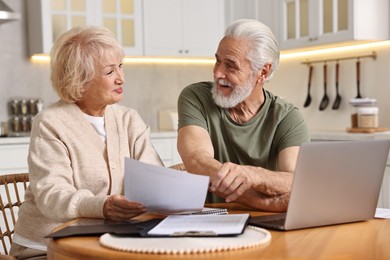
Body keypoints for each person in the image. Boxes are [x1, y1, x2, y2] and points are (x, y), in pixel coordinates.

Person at [10, 26, 165, 259]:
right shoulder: (50, 122)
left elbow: (154, 177)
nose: (121, 78)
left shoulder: (128, 119)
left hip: (110, 244)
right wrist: (102, 206)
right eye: (109, 72)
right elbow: (53, 195)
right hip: (47, 247)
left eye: (120, 67)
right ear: (80, 79)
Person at [177, 19, 310, 213]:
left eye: (230, 66)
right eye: (218, 61)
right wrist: (262, 201)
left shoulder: (288, 118)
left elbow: (296, 181)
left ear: (263, 72)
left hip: (267, 222)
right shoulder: (195, 97)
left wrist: (255, 175)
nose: (217, 73)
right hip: (210, 217)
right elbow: (198, 162)